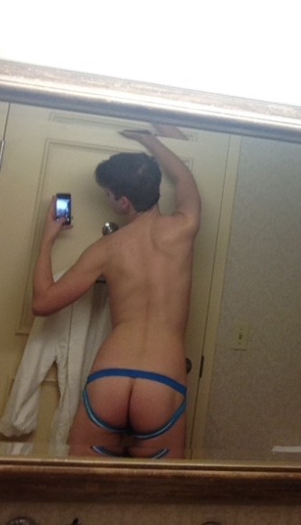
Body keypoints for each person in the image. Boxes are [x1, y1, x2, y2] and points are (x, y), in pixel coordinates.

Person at [32, 130, 201, 459]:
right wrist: (149, 140)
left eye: (108, 194)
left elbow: (43, 302)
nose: (108, 200)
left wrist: (47, 238)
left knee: (83, 485)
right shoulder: (185, 227)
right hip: (163, 379)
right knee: (159, 490)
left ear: (123, 203)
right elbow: (183, 178)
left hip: (110, 377)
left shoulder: (106, 249)